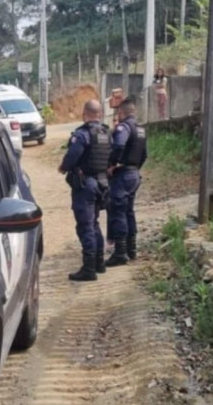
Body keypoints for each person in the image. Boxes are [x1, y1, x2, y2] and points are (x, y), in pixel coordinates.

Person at [59, 99, 112, 281]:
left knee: (85, 225)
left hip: (85, 185)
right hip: (102, 183)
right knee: (95, 223)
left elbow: (72, 156)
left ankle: (89, 269)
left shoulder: (82, 134)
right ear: (100, 113)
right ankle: (99, 263)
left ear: (85, 113)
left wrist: (63, 167)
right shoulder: (107, 132)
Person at [104, 97, 147, 266]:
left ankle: (120, 252)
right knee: (129, 211)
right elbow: (145, 154)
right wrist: (135, 168)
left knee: (118, 211)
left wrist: (112, 164)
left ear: (121, 113)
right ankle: (132, 249)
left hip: (122, 174)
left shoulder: (124, 127)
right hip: (134, 173)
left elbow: (119, 145)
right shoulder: (141, 130)